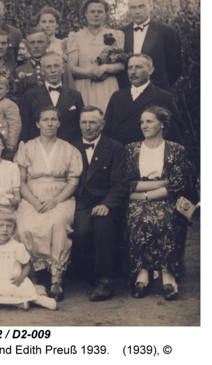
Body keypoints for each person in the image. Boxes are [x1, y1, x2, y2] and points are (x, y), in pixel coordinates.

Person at [14, 106, 82, 302]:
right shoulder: (26, 148)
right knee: (25, 225)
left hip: (60, 196)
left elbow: (73, 182)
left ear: (59, 123)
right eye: (45, 120)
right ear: (38, 123)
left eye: (54, 119)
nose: (50, 123)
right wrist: (34, 202)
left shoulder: (69, 149)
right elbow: (21, 181)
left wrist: (55, 200)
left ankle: (56, 279)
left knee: (57, 223)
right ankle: (33, 276)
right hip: (31, 196)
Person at [124, 106, 189, 301]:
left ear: (162, 124)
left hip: (166, 199)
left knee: (165, 219)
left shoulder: (176, 149)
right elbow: (127, 183)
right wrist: (162, 181)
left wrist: (145, 195)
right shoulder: (131, 149)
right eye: (142, 122)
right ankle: (142, 274)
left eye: (149, 121)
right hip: (139, 199)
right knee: (138, 218)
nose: (144, 125)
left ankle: (168, 275)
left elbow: (177, 184)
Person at [70, 106, 129, 301]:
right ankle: (85, 273)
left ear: (102, 124)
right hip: (80, 202)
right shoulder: (72, 147)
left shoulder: (115, 147)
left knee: (103, 224)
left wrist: (107, 204)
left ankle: (106, 280)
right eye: (84, 122)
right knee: (81, 231)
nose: (88, 127)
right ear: (79, 124)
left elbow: (121, 183)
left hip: (105, 201)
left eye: (93, 122)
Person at [0, 210, 57, 311]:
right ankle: (18, 304)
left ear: (14, 229)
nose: (5, 229)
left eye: (9, 226)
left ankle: (40, 300)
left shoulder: (16, 247)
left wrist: (20, 278)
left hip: (10, 282)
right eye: (1, 225)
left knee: (18, 290)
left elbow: (27, 266)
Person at [103, 54, 184, 146]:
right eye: (130, 68)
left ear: (150, 70)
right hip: (119, 155)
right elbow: (106, 132)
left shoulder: (163, 97)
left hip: (148, 154)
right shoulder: (117, 96)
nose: (133, 72)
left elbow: (174, 135)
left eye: (138, 67)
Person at [67, 0, 125, 112]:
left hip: (108, 86)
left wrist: (105, 68)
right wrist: (92, 73)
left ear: (105, 14)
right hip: (84, 86)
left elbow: (121, 65)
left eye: (100, 12)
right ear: (85, 14)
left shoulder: (115, 35)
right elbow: (71, 68)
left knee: (107, 120)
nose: (96, 15)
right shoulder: (76, 37)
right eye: (92, 11)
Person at [118, 0, 182, 92]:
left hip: (157, 93)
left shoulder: (166, 32)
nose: (137, 11)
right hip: (127, 94)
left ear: (150, 7)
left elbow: (175, 67)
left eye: (141, 6)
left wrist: (160, 88)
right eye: (133, 7)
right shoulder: (121, 33)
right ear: (128, 9)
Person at [19, 52, 84, 144]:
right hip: (39, 150)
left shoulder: (75, 95)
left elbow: (80, 128)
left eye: (56, 66)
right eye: (48, 67)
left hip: (68, 149)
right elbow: (25, 128)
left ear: (63, 69)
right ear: (42, 71)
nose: (53, 70)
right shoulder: (29, 96)